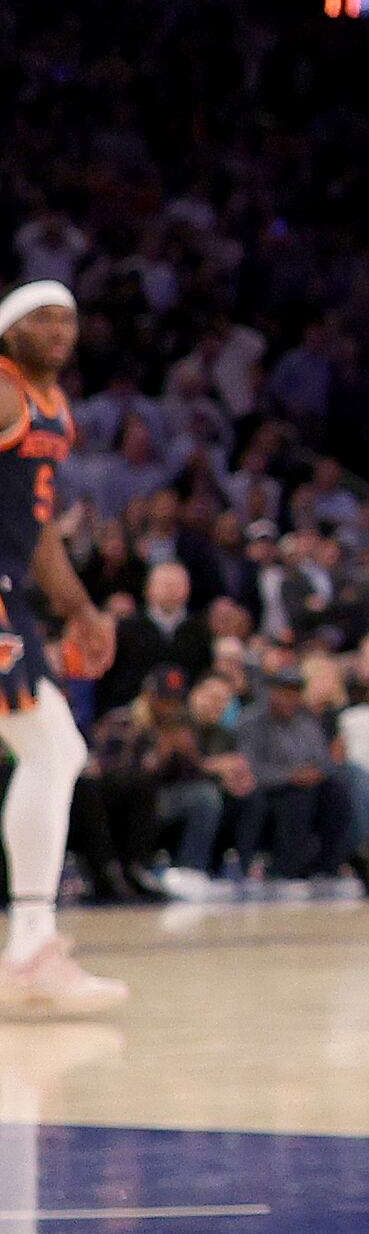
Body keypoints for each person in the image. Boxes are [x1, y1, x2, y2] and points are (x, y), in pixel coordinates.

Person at [0, 281, 128, 1012]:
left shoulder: (54, 412)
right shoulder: (4, 388)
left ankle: (31, 943)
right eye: (41, 316)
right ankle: (30, 946)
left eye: (68, 317)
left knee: (58, 750)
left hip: (13, 595)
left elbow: (41, 531)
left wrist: (81, 609)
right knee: (50, 748)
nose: (58, 327)